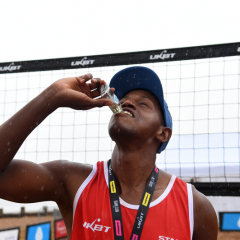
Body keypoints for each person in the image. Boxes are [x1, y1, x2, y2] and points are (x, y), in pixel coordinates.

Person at [0, 66, 218, 240]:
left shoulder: (195, 207)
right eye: (124, 99)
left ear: (163, 133)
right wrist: (53, 96)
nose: (127, 102)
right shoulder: (74, 181)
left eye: (143, 103)